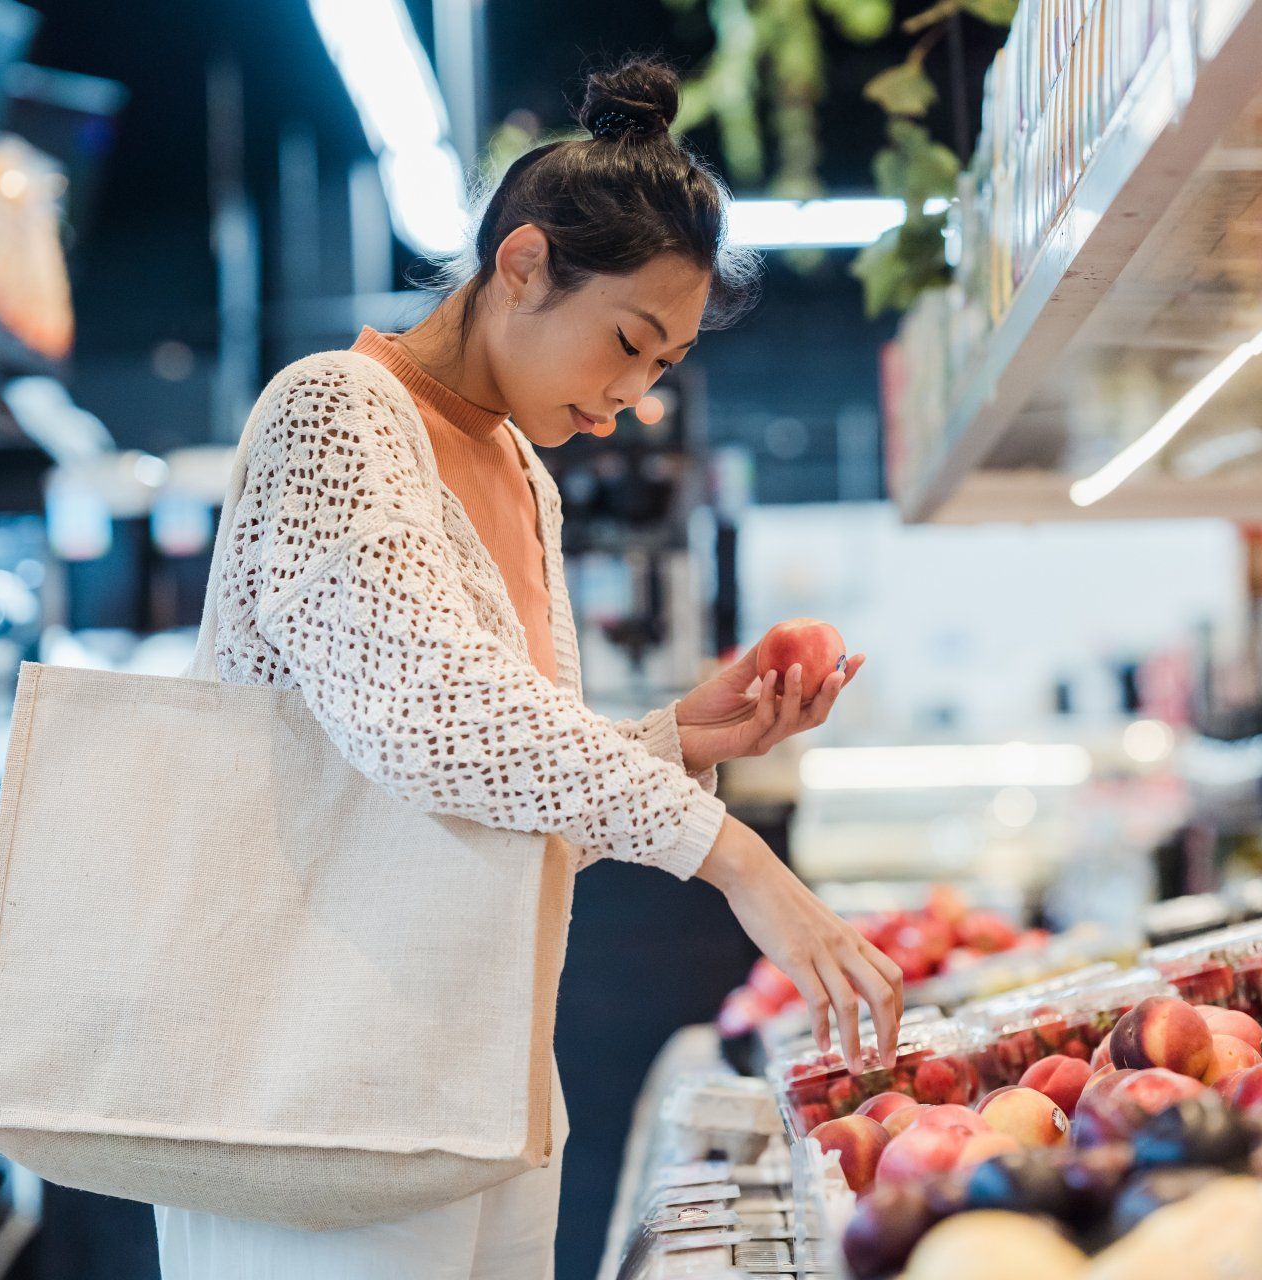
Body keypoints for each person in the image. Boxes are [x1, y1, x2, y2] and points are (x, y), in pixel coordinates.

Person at [154, 54, 903, 1280]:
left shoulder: (524, 475)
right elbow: (425, 714)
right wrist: (736, 857)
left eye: (662, 366)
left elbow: (492, 798)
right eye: (627, 341)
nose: (629, 393)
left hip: (488, 1088)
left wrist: (679, 740)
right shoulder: (335, 411)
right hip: (313, 1099)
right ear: (523, 264)